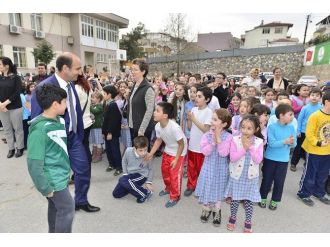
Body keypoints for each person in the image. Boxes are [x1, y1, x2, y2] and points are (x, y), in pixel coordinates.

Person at [31, 52, 100, 213]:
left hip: (73, 137)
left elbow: (75, 110)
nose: (80, 72)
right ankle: (59, 206)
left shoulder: (70, 85)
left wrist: (79, 135)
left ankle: (81, 201)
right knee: (57, 176)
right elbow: (36, 119)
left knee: (83, 169)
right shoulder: (44, 87)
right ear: (64, 68)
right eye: (77, 68)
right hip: (54, 141)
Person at [27, 84, 74, 233]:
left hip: (61, 175)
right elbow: (34, 164)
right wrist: (45, 188)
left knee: (55, 209)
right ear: (55, 104)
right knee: (67, 210)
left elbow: (59, 149)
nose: (66, 105)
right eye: (64, 102)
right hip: (53, 180)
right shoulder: (40, 130)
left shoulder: (59, 121)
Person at [225, 115, 264, 233]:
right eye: (243, 127)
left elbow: (258, 160)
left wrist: (250, 147)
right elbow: (232, 158)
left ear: (256, 129)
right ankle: (233, 217)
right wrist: (243, 148)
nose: (245, 130)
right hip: (237, 176)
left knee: (248, 201)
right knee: (235, 200)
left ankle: (248, 220)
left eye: (249, 128)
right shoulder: (235, 139)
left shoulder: (259, 142)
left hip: (251, 177)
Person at [195, 109, 232, 227]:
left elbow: (223, 153)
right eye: (212, 118)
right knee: (208, 187)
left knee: (218, 189)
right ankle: (206, 208)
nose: (212, 121)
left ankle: (217, 211)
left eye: (215, 120)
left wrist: (218, 139)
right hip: (208, 168)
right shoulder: (206, 135)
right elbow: (205, 152)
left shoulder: (229, 137)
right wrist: (213, 143)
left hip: (221, 169)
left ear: (224, 124)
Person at [146, 102, 187, 208]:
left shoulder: (174, 128)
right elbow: (159, 140)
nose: (154, 113)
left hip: (179, 152)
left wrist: (176, 159)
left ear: (165, 115)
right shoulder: (158, 126)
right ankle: (168, 188)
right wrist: (151, 153)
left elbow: (181, 144)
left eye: (157, 111)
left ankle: (175, 196)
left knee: (174, 175)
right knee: (165, 171)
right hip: (168, 149)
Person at [259, 104, 296, 210]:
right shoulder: (272, 127)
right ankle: (263, 197)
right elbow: (272, 143)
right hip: (270, 158)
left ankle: (275, 200)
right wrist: (285, 141)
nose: (292, 116)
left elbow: (294, 144)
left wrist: (291, 143)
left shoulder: (291, 127)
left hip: (283, 160)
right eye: (290, 114)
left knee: (279, 181)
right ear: (281, 115)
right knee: (267, 179)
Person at [297, 90, 330, 206]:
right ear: (327, 102)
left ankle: (319, 192)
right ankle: (303, 193)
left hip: (328, 152)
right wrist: (319, 143)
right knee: (310, 173)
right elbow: (309, 134)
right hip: (313, 150)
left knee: (323, 173)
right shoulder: (315, 116)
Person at [184, 87, 213, 197]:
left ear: (207, 99)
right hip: (192, 144)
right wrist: (189, 119)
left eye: (200, 96)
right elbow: (190, 127)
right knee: (191, 167)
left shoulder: (209, 112)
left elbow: (205, 129)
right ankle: (191, 185)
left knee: (201, 169)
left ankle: (201, 187)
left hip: (202, 147)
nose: (196, 98)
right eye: (196, 95)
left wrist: (194, 119)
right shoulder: (194, 110)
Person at [112, 136, 153, 203]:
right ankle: (132, 187)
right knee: (116, 194)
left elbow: (151, 169)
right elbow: (124, 161)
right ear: (135, 148)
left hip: (141, 175)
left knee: (122, 179)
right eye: (141, 150)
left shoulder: (148, 156)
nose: (143, 153)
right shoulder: (128, 150)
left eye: (145, 149)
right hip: (129, 175)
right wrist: (125, 173)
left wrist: (149, 182)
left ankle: (145, 193)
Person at [290, 88, 322, 172]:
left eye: (317, 95)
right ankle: (293, 163)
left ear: (320, 98)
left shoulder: (321, 108)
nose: (314, 97)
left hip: (315, 133)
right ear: (309, 97)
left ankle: (307, 163)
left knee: (310, 149)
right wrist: (298, 131)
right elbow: (300, 120)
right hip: (303, 131)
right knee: (299, 148)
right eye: (312, 95)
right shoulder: (305, 108)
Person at [0, 56, 25, 158]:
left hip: (15, 107)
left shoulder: (16, 77)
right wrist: (1, 105)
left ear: (6, 66)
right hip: (1, 108)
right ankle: (11, 148)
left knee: (18, 129)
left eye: (0, 64)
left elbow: (17, 92)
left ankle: (20, 148)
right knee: (7, 129)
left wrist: (4, 103)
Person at [128, 59, 155, 147]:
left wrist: (142, 129)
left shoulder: (148, 89)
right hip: (133, 126)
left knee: (142, 154)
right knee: (135, 154)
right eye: (132, 69)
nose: (132, 72)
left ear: (143, 72)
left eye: (135, 70)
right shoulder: (135, 86)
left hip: (142, 129)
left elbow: (149, 111)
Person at [102, 85, 123, 176]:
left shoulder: (113, 105)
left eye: (104, 93)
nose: (103, 95)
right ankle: (112, 164)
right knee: (109, 149)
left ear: (109, 94)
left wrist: (110, 132)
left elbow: (114, 120)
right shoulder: (106, 103)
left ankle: (119, 167)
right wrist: (104, 132)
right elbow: (105, 120)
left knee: (115, 149)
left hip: (112, 133)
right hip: (107, 132)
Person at [74, 72, 94, 163]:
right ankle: (87, 168)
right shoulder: (87, 88)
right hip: (87, 121)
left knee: (80, 148)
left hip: (80, 123)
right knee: (85, 145)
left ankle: (82, 170)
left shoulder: (75, 89)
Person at [90, 91, 104, 163]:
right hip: (93, 127)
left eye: (93, 97)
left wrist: (88, 106)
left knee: (98, 142)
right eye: (91, 97)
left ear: (98, 99)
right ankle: (94, 155)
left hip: (98, 127)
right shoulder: (93, 106)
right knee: (94, 142)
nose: (92, 99)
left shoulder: (100, 106)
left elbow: (95, 111)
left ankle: (99, 156)